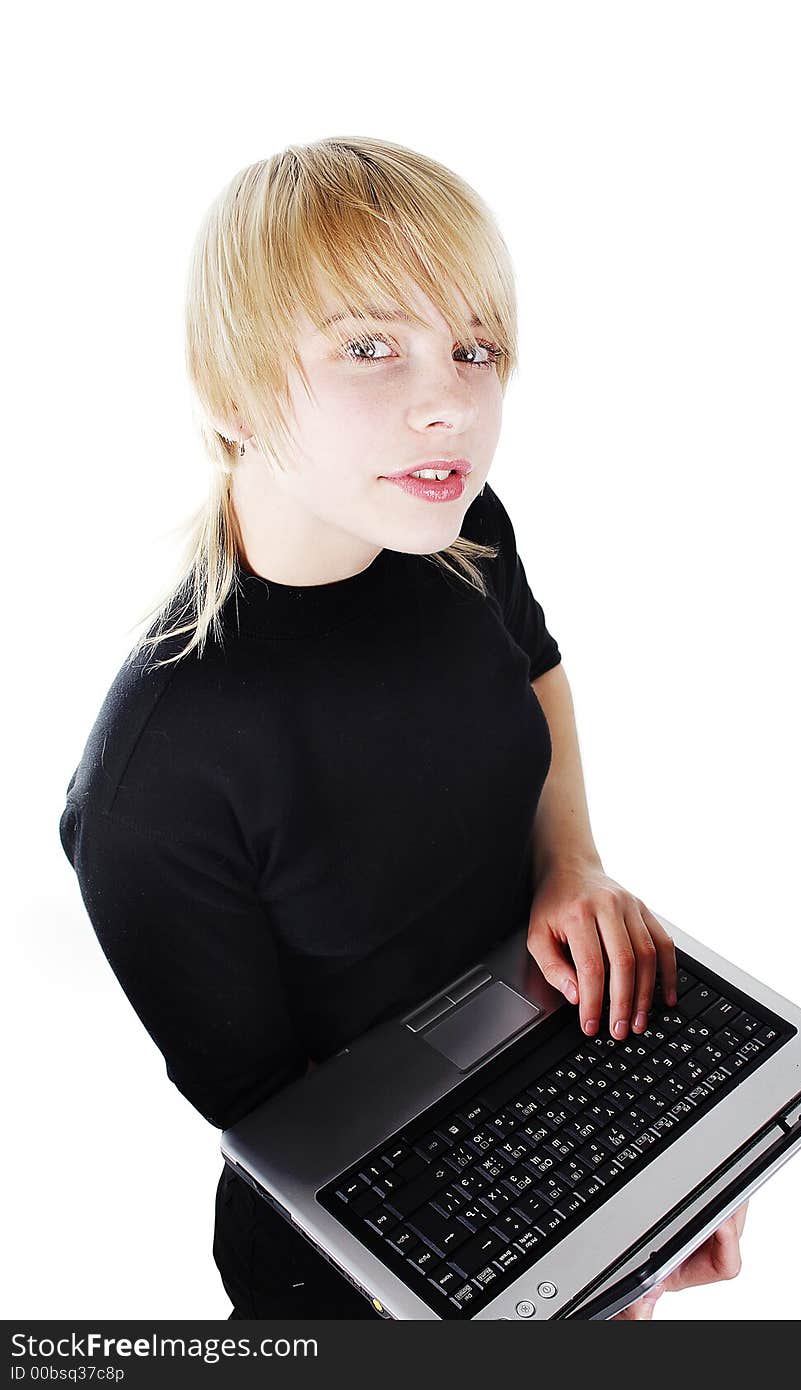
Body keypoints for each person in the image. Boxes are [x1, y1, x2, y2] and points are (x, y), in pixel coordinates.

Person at [59, 134, 746, 1320]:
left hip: (543, 1068)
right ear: (230, 389)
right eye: (370, 346)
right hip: (357, 1260)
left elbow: (536, 671)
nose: (450, 404)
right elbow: (293, 1125)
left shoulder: (457, 531)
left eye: (475, 347)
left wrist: (571, 867)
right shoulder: (157, 776)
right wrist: (562, 1252)